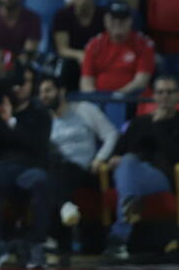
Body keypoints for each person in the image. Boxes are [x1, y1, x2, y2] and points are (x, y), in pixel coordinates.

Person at [102, 75, 179, 261]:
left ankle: (119, 236)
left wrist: (159, 124)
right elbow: (119, 150)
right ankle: (128, 209)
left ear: (178, 96)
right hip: (131, 171)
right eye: (160, 92)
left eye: (170, 92)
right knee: (128, 162)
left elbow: (176, 155)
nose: (165, 97)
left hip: (161, 176)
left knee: (128, 167)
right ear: (154, 96)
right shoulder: (138, 123)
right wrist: (114, 158)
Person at [0, 67, 52, 268]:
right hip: (1, 169)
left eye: (24, 83)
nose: (18, 89)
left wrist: (11, 121)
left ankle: (36, 244)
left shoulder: (40, 113)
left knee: (41, 181)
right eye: (15, 85)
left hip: (30, 167)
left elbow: (37, 146)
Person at [37, 77, 117, 257]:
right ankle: (65, 208)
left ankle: (54, 236)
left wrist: (100, 158)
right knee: (51, 169)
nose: (44, 96)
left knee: (59, 172)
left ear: (61, 91)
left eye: (48, 90)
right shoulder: (43, 120)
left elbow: (111, 133)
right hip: (56, 170)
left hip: (84, 170)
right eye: (42, 92)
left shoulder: (85, 109)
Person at [80, 0, 155, 95]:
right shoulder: (94, 45)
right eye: (113, 18)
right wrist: (96, 101)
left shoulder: (144, 44)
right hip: (99, 102)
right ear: (105, 20)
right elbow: (86, 81)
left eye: (122, 19)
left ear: (130, 21)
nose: (118, 22)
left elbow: (141, 81)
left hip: (133, 100)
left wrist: (117, 97)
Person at [51, 0, 105, 89]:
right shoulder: (62, 16)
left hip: (99, 60)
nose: (83, 0)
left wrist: (90, 58)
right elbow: (62, 49)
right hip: (73, 60)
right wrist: (81, 55)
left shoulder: (104, 15)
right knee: (65, 64)